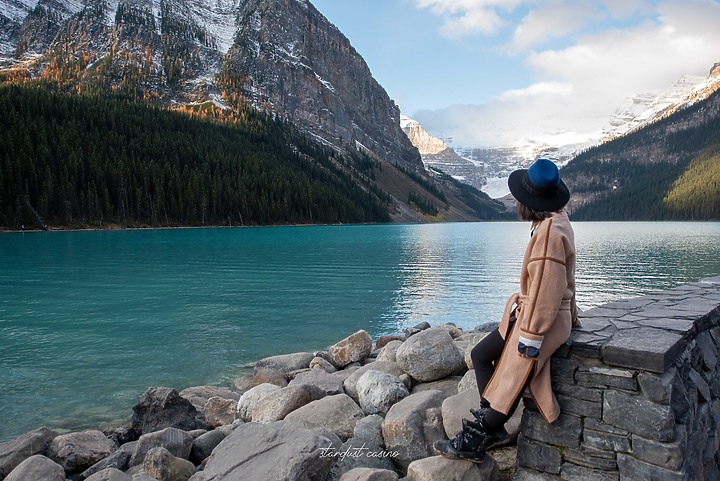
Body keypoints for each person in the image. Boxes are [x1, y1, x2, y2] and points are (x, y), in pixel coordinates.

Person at [434, 157, 579, 462]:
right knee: (481, 355)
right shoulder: (554, 222)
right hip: (540, 314)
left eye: (519, 199)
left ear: (529, 203)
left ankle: (475, 440)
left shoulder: (550, 233)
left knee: (513, 374)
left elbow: (546, 290)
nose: (516, 203)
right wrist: (573, 315)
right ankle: (495, 427)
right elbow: (568, 280)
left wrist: (530, 337)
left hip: (540, 321)